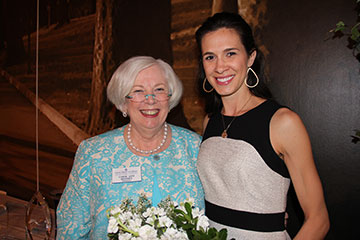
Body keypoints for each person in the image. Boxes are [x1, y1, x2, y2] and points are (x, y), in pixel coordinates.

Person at [195, 12, 330, 239]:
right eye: (210, 57)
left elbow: (318, 220)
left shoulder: (282, 122)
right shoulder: (210, 121)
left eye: (230, 53)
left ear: (250, 58)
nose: (220, 67)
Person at [56, 56, 205, 239]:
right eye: (138, 91)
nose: (150, 100)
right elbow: (70, 229)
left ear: (170, 97)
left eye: (159, 89)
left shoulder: (196, 148)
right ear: (123, 101)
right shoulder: (93, 153)